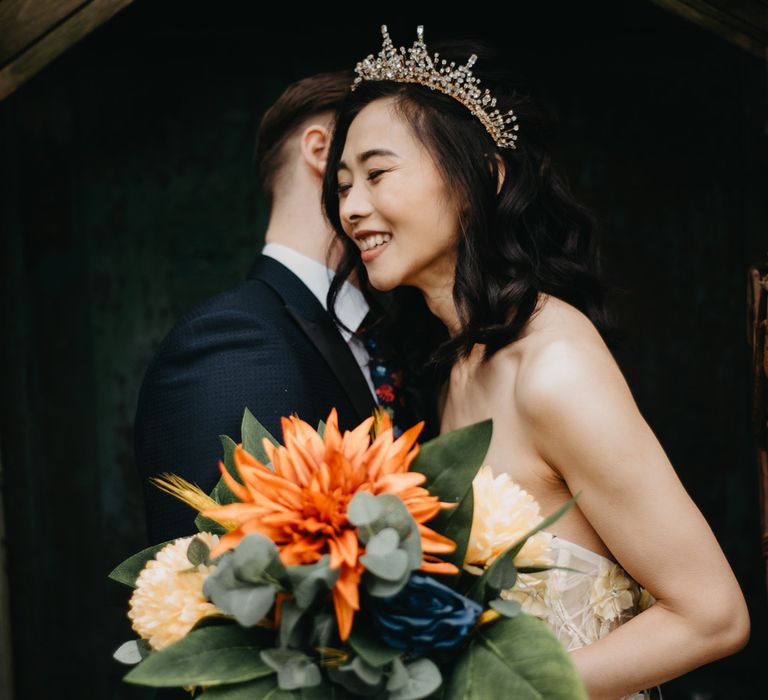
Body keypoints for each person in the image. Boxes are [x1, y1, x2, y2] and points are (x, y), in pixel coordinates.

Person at [319, 25, 750, 700]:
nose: (351, 207)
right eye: (342, 185)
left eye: (376, 173)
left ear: (484, 174)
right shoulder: (456, 364)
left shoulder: (554, 368)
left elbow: (713, 616)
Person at [134, 69, 433, 547]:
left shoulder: (396, 337)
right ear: (322, 152)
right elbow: (222, 583)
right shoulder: (232, 344)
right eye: (374, 165)